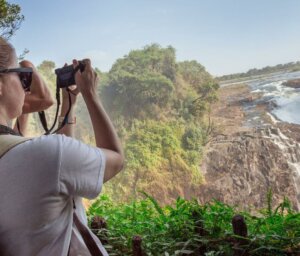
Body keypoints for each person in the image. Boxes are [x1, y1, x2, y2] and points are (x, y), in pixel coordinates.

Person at [0, 37, 124, 255]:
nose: (25, 87)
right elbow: (116, 159)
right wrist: (91, 94)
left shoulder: (41, 156)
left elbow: (57, 171)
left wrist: (69, 104)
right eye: (22, 76)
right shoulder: (44, 156)